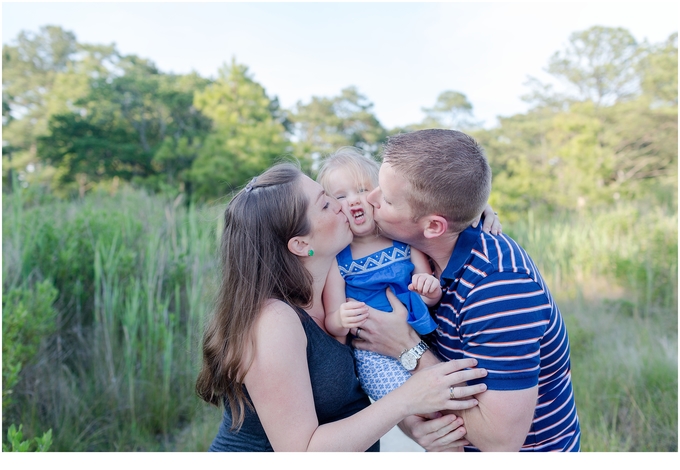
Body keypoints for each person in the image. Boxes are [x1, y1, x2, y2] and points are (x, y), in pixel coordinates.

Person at [195, 162, 490, 452]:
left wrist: (472, 216)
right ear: (300, 244)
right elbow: (302, 452)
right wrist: (407, 399)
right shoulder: (274, 321)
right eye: (327, 203)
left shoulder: (339, 290)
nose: (343, 205)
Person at [354, 129, 581, 452]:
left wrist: (407, 347)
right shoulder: (414, 253)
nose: (370, 199)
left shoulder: (499, 287)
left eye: (387, 199)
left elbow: (500, 442)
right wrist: (413, 420)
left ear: (434, 226)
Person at [317, 147, 479, 402]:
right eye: (340, 196)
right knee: (408, 406)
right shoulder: (339, 260)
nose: (353, 200)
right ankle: (427, 433)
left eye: (361, 189)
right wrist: (341, 317)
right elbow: (331, 321)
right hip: (374, 355)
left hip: (420, 335)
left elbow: (428, 297)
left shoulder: (402, 243)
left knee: (442, 398)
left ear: (378, 195)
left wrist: (429, 288)